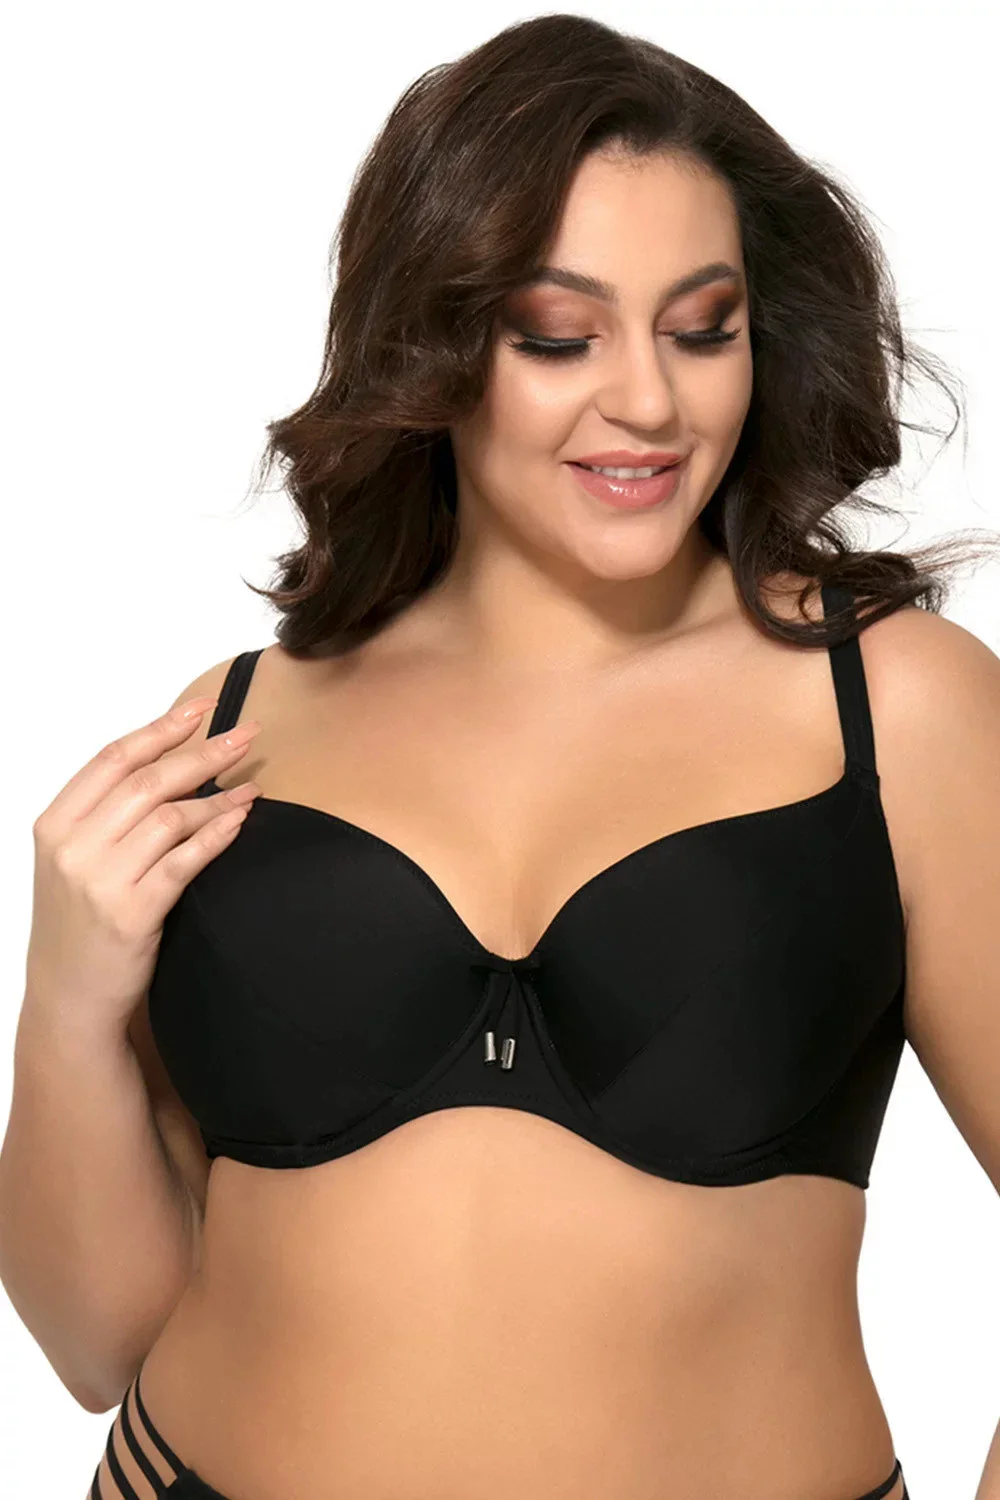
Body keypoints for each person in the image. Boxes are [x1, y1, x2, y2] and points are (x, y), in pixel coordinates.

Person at [2, 14, 999, 1500]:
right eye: (558, 335)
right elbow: (99, 1342)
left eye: (702, 327)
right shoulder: (237, 725)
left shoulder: (894, 706)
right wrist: (66, 1000)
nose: (649, 401)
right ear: (436, 342)